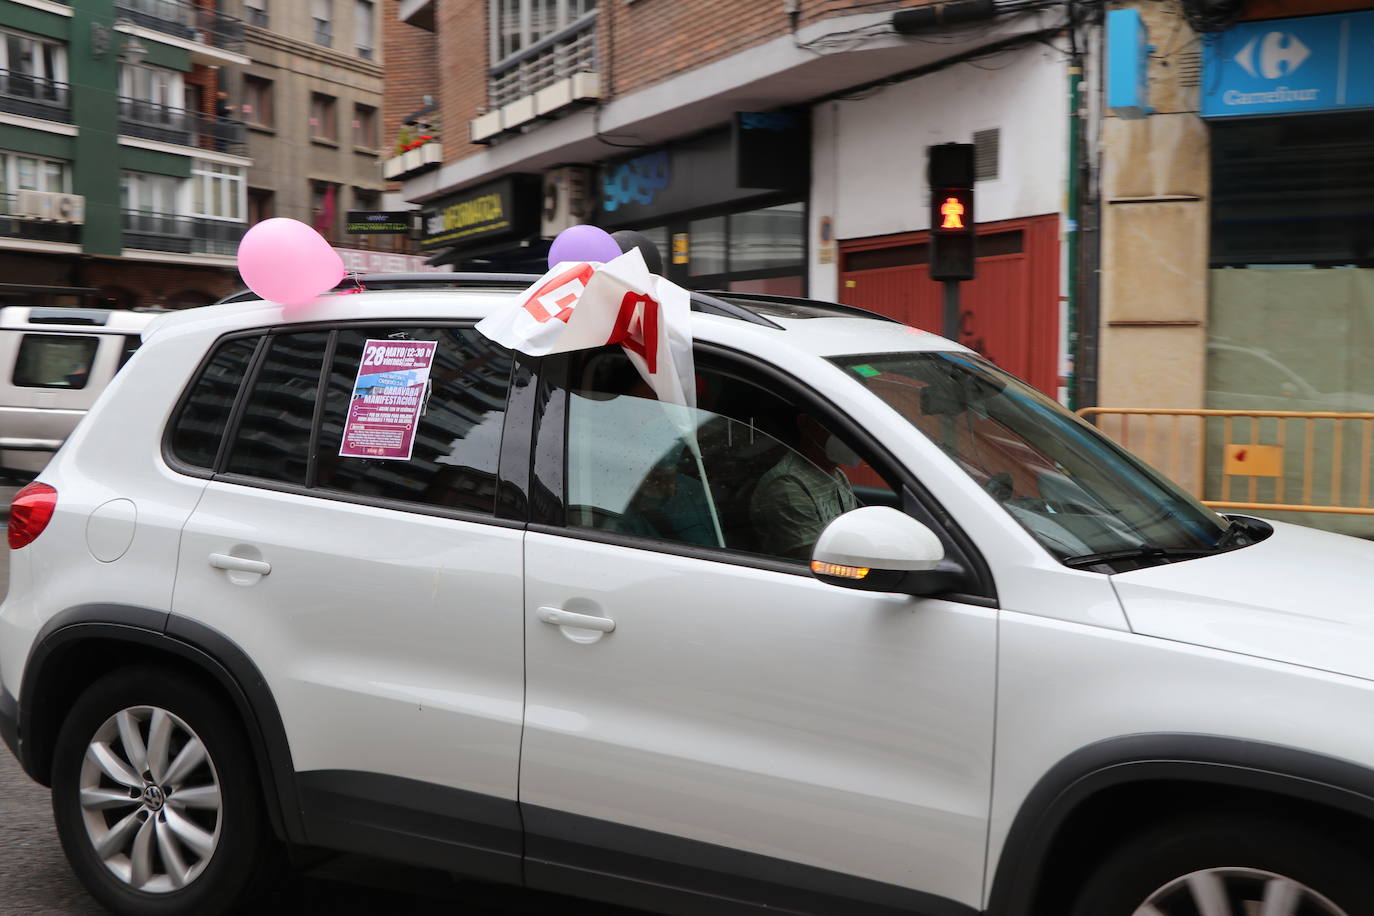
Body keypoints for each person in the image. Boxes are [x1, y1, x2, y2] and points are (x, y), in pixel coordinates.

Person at [749, 413, 859, 560]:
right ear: (805, 423)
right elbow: (815, 560)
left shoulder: (837, 475)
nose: (848, 435)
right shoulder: (787, 486)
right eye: (836, 424)